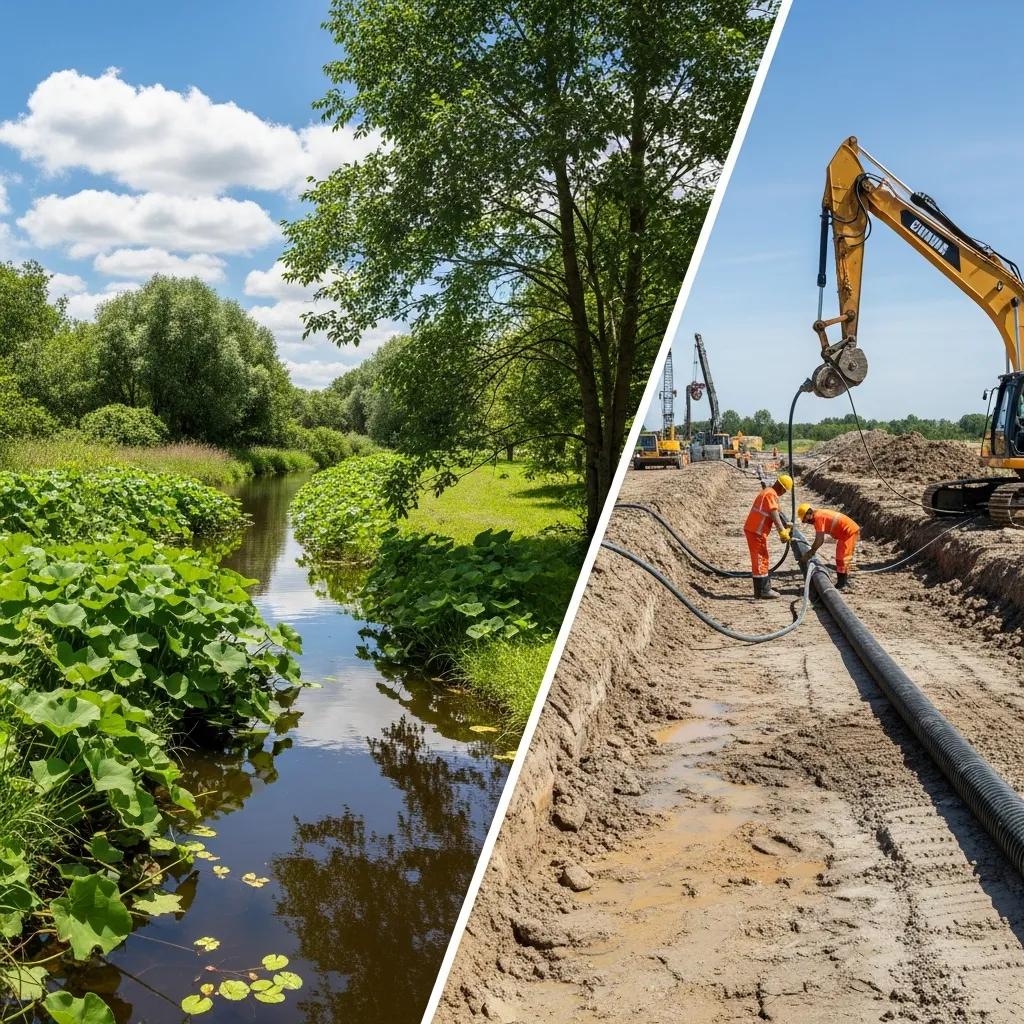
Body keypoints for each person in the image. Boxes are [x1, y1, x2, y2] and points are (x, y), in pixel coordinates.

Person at [744, 473, 792, 599]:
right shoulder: (771, 494)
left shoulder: (769, 492)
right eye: (785, 491)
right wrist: (781, 530)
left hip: (755, 529)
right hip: (756, 531)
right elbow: (773, 512)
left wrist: (786, 523)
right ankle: (763, 590)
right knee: (760, 558)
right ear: (782, 488)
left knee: (762, 557)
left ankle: (762, 590)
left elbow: (777, 510)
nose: (783, 494)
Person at [796, 502, 860, 589]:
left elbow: (819, 540)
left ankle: (842, 583)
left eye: (805, 520)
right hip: (844, 533)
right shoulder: (818, 515)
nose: (807, 522)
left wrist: (810, 552)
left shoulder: (818, 517)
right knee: (840, 557)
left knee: (842, 558)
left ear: (808, 514)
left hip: (848, 532)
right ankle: (842, 582)